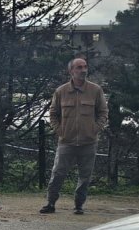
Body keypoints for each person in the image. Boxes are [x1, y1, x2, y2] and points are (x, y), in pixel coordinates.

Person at [40, 57, 108, 215]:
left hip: (88, 142)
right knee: (57, 174)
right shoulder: (61, 91)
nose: (83, 70)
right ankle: (50, 203)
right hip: (66, 142)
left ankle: (79, 205)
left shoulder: (95, 90)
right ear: (71, 71)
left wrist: (95, 129)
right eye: (79, 67)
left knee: (85, 177)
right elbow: (53, 113)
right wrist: (60, 130)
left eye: (85, 67)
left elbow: (103, 112)